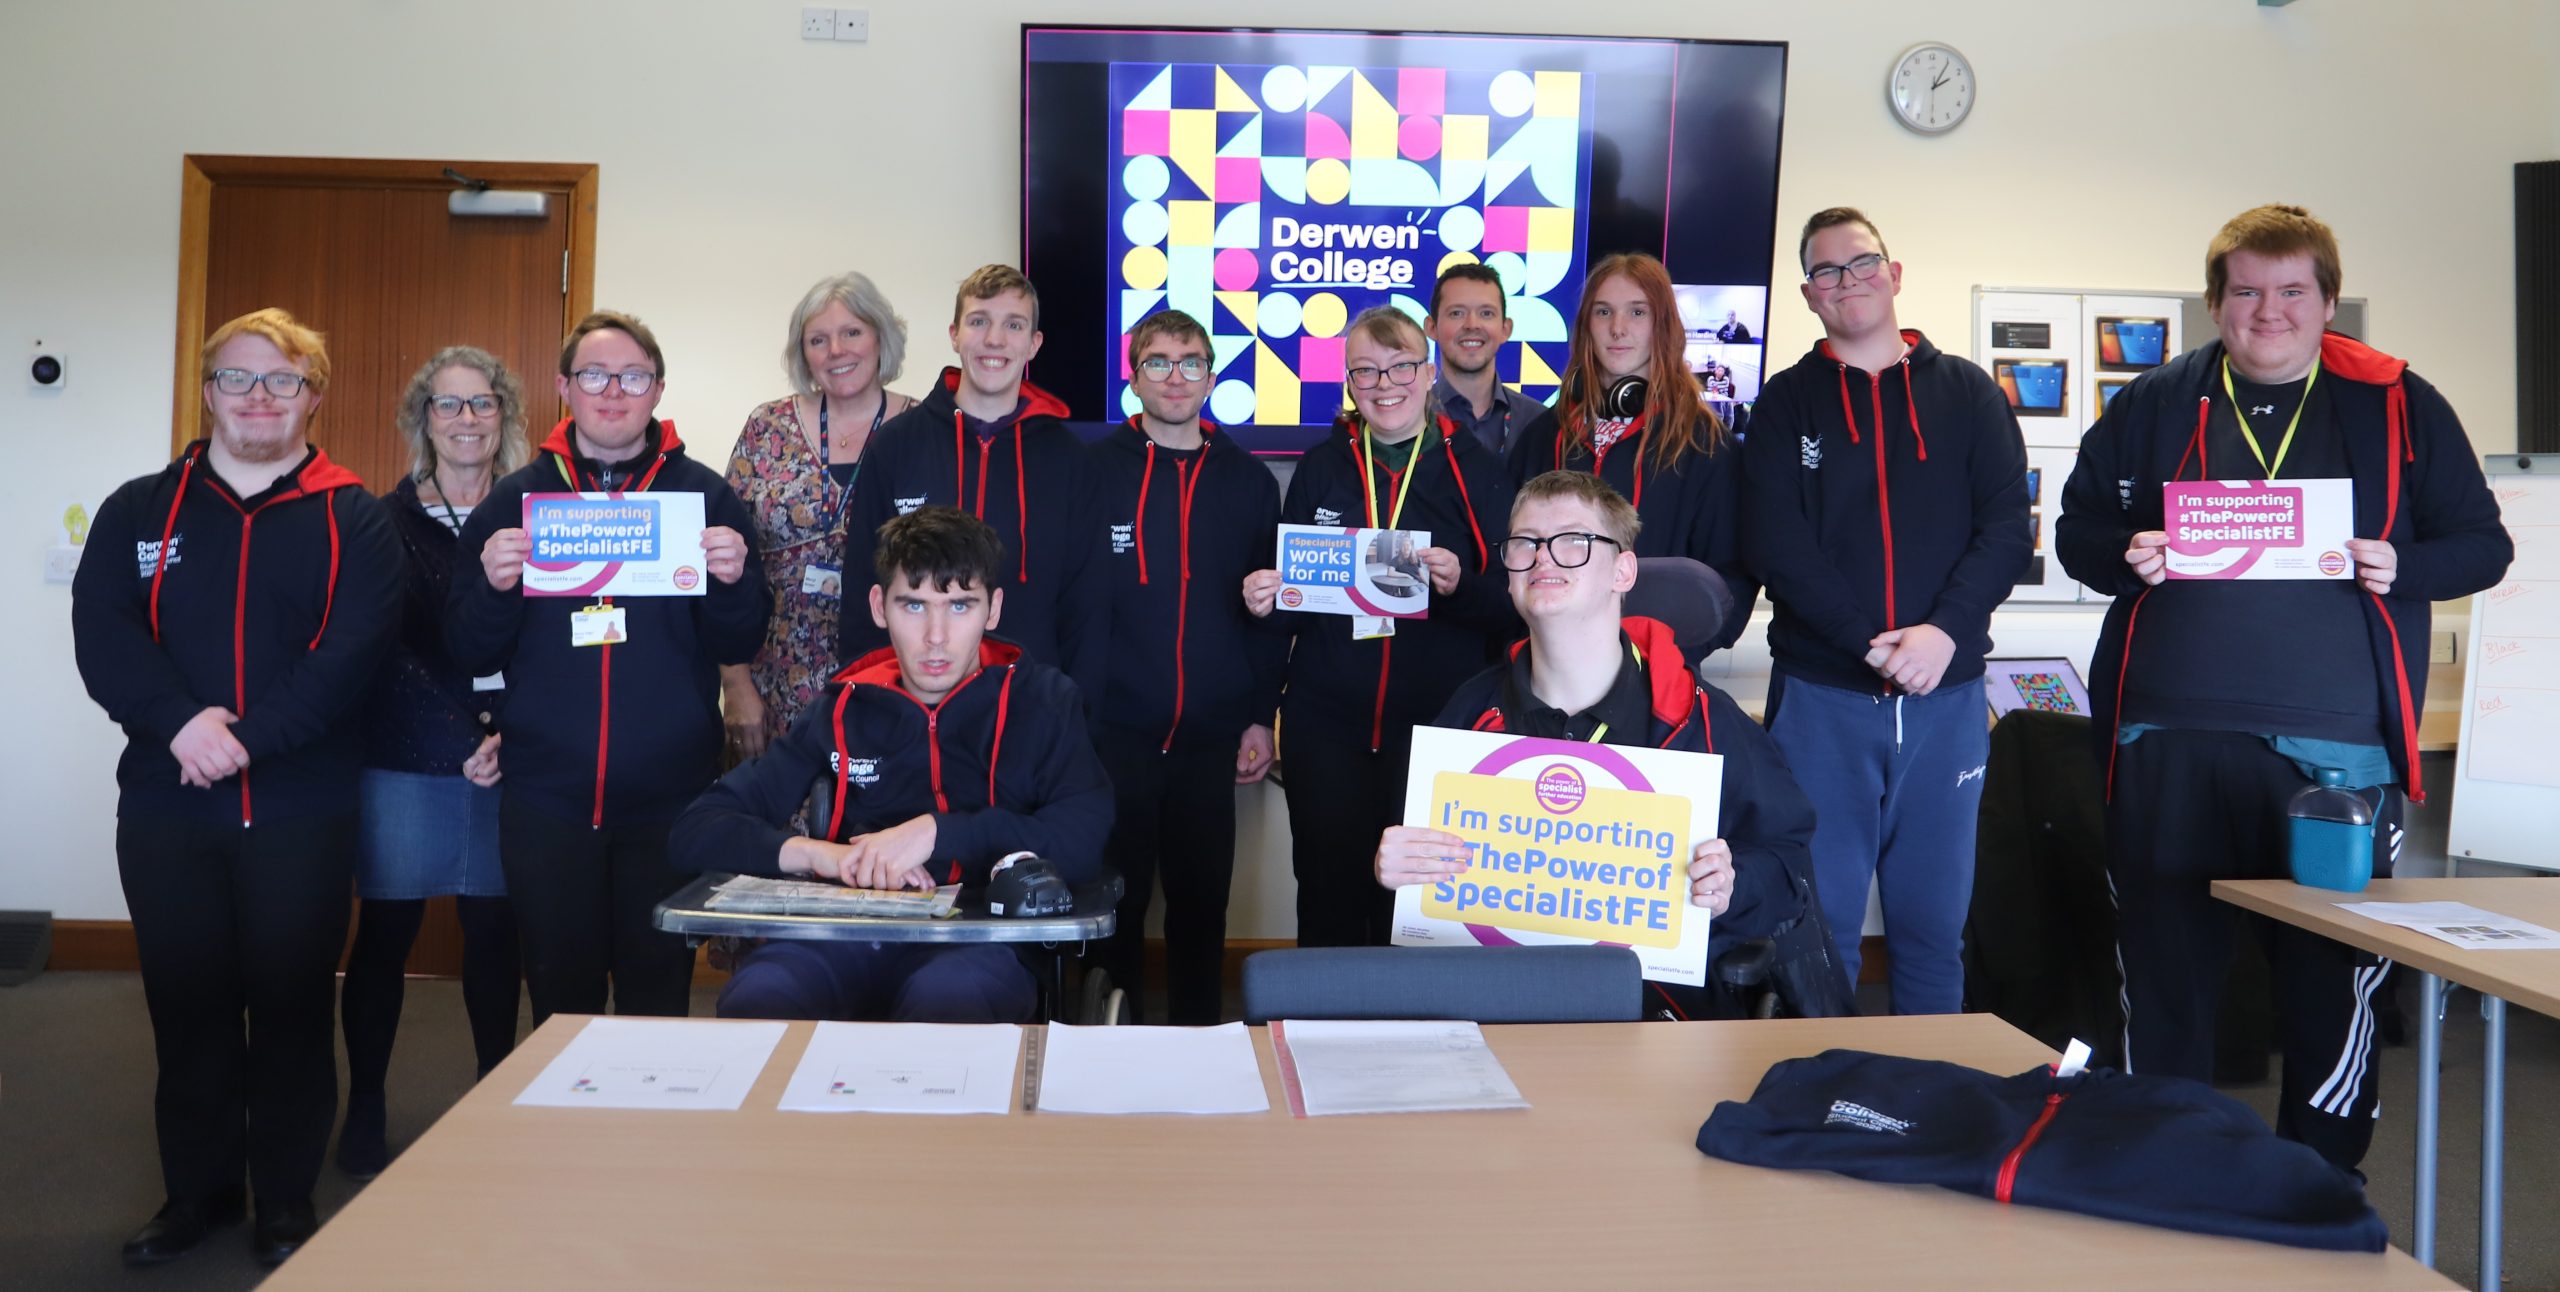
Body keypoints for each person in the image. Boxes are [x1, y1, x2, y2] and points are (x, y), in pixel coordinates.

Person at [2056, 204, 2512, 1171]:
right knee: (2166, 980)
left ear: (2329, 301)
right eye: (2247, 292)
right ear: (2215, 302)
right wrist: (2124, 552)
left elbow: (2484, 544)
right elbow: (2077, 533)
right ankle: (2165, 1174)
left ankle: (2319, 1180)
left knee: (2330, 982)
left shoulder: (2398, 401)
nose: (2270, 312)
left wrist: (2405, 565)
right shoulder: (2155, 401)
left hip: (2335, 751)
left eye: (2293, 291)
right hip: (2165, 740)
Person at [73, 307, 401, 1266]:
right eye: (238, 378)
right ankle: (199, 1196)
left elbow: (347, 658)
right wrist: (181, 726)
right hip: (167, 804)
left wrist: (243, 743)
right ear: (208, 391)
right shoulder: (139, 509)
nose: (259, 397)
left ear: (314, 396)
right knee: (188, 1009)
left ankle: (284, 1200)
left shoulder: (355, 517)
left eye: (283, 380)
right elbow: (105, 636)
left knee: (293, 1008)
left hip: (301, 810)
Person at [1374, 470, 1841, 1020]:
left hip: (1656, 1018)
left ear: (1623, 571)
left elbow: (1789, 866)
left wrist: (1732, 885)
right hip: (1499, 1013)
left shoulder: (1703, 720)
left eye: (1573, 540)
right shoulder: (1466, 719)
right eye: (1525, 542)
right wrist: (1396, 868)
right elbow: (1425, 879)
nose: (1543, 557)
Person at [1740, 206, 2032, 1015]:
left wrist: (1943, 634)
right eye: (1827, 271)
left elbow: (2007, 529)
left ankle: (1931, 1086)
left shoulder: (1968, 394)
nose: (1848, 281)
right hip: (1824, 698)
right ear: (1809, 294)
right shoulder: (1786, 404)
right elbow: (1775, 544)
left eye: (1862, 262)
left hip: (1947, 699)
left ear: (1893, 274)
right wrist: (1867, 644)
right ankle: (1823, 1080)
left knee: (1934, 929)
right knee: (1820, 927)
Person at [448, 311, 770, 1025]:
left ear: (658, 390)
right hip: (547, 802)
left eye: (633, 376)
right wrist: (496, 588)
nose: (614, 391)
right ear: (564, 387)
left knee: (658, 1000)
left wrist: (733, 579)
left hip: (670, 801)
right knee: (562, 1004)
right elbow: (471, 650)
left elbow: (742, 636)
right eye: (595, 375)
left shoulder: (704, 497)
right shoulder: (515, 501)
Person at [673, 507, 1113, 1021]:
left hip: (982, 941)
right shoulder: (843, 708)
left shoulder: (1044, 702)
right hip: (847, 934)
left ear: (993, 610)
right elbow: (696, 830)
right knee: (760, 998)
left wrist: (936, 834)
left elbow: (1083, 838)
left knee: (944, 1004)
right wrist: (825, 857)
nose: (936, 636)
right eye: (914, 605)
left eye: (960, 606)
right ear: (879, 607)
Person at [1243, 305, 1516, 948]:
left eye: (1399, 367)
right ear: (1348, 382)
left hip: (1433, 728)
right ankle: (1321, 1016)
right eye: (1365, 371)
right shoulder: (1322, 466)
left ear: (1428, 373)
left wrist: (1460, 585)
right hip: (1325, 727)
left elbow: (1513, 606)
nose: (1383, 384)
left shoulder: (1475, 469)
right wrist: (1267, 598)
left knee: (1416, 910)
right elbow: (1298, 600)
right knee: (1326, 893)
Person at [336, 347, 531, 1180]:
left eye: (482, 403)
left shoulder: (538, 515)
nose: (465, 420)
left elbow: (559, 637)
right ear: (423, 421)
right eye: (447, 405)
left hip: (513, 753)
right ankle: (366, 1104)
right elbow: (380, 650)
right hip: (409, 753)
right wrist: (461, 739)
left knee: (494, 932)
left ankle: (493, 1096)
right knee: (386, 934)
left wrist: (512, 732)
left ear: (504, 416)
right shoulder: (380, 522)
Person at [1087, 309, 1285, 1024]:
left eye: (1191, 362)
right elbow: (1071, 601)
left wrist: (1258, 716)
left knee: (1202, 910)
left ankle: (1201, 1049)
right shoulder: (1090, 472)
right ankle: (1110, 1052)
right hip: (1113, 735)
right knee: (1114, 907)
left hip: (1210, 737)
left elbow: (1270, 613)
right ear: (1133, 376)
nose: (1176, 377)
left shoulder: (1250, 482)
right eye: (1159, 362)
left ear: (1210, 376)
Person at [838, 264, 1108, 707]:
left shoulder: (1071, 461)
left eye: (1013, 325)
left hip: (1031, 707)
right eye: (979, 321)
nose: (994, 340)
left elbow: (1088, 608)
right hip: (915, 709)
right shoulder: (897, 445)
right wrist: (867, 707)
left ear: (1034, 343)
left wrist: (1076, 716)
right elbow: (862, 590)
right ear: (955, 334)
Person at [1510, 253, 1756, 656]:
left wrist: (1668, 659)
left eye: (1637, 312)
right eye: (1603, 311)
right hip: (1546, 664)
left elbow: (1728, 586)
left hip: (1657, 669)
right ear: (1586, 325)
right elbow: (1510, 557)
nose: (1618, 328)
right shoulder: (1544, 436)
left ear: (1663, 325)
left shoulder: (1705, 444)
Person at [722, 273, 918, 759]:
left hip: (895, 676)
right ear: (803, 353)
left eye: (852, 332)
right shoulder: (766, 427)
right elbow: (724, 564)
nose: (836, 350)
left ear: (880, 338)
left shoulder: (921, 429)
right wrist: (735, 682)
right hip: (773, 681)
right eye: (818, 339)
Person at [1425, 262, 1557, 461]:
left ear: (1506, 329)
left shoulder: (1540, 423)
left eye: (1486, 313)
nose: (1472, 325)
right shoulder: (1409, 419)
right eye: (1456, 313)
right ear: (1432, 327)